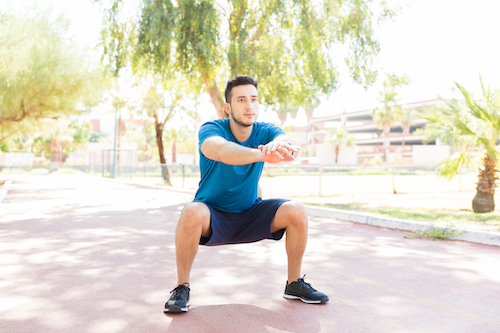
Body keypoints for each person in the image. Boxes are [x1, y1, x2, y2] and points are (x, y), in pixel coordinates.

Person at [164, 74, 328, 313]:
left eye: (254, 99)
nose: (249, 105)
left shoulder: (265, 131)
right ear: (227, 107)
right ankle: (181, 288)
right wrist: (261, 154)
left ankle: (293, 284)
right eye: (241, 100)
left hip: (250, 214)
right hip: (213, 217)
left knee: (296, 210)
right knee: (190, 211)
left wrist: (281, 144)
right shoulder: (211, 129)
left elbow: (286, 142)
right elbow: (219, 150)